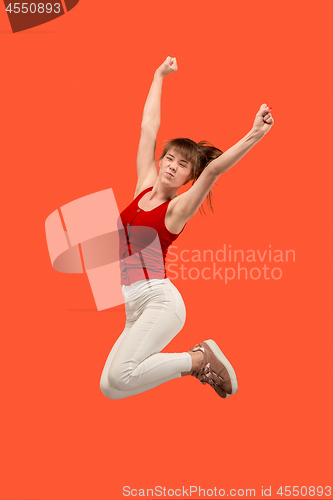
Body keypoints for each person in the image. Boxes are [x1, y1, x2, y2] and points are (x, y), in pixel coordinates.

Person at [99, 56, 274, 400]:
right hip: (133, 304)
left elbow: (213, 171)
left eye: (182, 165)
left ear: (187, 178)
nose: (172, 166)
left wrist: (255, 134)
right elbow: (148, 127)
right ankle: (195, 362)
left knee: (122, 374)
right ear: (161, 161)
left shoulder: (176, 209)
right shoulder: (143, 186)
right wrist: (158, 75)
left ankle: (199, 359)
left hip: (159, 300)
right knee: (111, 387)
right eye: (169, 159)